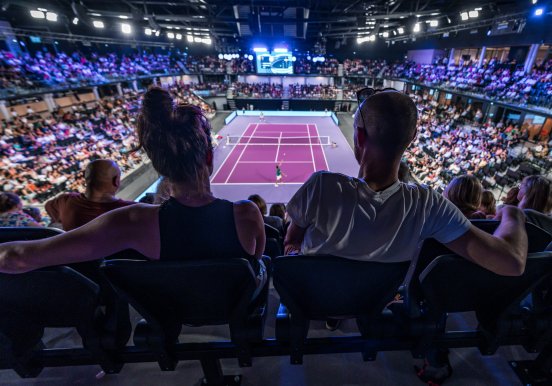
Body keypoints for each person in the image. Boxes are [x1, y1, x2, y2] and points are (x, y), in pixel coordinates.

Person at [284, 90, 527, 384]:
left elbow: (291, 243)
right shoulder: (429, 204)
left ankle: (334, 314)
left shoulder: (320, 185)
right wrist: (513, 213)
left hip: (317, 298)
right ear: (411, 140)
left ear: (359, 137)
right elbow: (512, 263)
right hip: (375, 302)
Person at [0, 87, 266, 296]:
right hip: (235, 308)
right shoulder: (247, 212)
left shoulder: (131, 220)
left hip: (166, 313)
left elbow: (17, 258)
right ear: (208, 157)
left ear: (156, 161)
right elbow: (255, 263)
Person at [45, 159, 135, 231]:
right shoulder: (132, 210)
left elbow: (48, 206)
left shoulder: (64, 200)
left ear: (86, 180)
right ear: (116, 181)